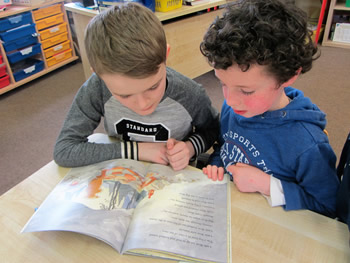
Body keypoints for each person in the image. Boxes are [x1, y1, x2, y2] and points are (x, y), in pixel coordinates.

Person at [200, 0, 339, 218]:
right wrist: (216, 165)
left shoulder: (308, 145)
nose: (231, 100)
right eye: (223, 84)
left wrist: (268, 185)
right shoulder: (233, 108)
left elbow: (329, 207)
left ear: (288, 76)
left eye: (246, 91)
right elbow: (225, 146)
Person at [53, 3, 219, 171]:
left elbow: (213, 130)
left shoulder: (189, 93)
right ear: (97, 74)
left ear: (165, 56)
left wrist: (190, 147)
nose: (142, 104)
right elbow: (65, 149)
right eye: (124, 95)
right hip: (123, 176)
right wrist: (138, 150)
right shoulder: (97, 87)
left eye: (153, 87)